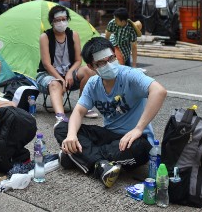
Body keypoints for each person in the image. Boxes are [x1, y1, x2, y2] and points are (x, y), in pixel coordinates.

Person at [55, 37, 167, 188]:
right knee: (62, 127)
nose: (109, 65)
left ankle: (77, 157)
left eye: (111, 58)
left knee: (141, 149)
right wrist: (71, 135)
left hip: (133, 141)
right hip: (109, 137)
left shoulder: (129, 75)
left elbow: (159, 91)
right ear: (91, 66)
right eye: (101, 63)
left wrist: (139, 128)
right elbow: (79, 111)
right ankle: (99, 164)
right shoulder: (93, 84)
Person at [36, 5, 95, 123]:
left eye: (64, 19)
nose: (61, 22)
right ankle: (61, 116)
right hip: (48, 75)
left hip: (69, 75)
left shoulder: (73, 35)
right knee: (55, 83)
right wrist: (60, 79)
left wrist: (69, 73)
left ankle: (83, 106)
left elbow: (78, 60)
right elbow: (46, 64)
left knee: (89, 71)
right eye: (57, 20)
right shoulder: (45, 37)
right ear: (52, 22)